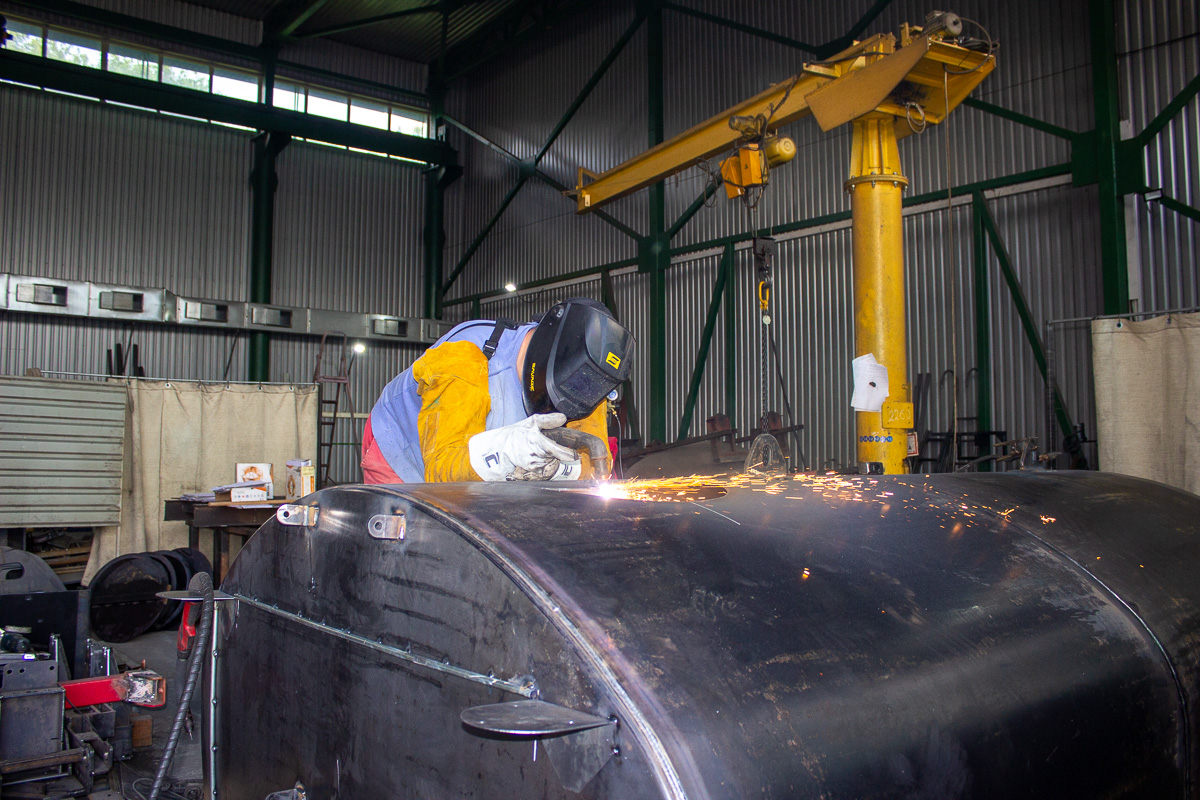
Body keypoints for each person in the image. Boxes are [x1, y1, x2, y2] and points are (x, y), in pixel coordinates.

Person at [362, 297, 634, 483]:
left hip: (470, 455)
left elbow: (595, 462)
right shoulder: (462, 359)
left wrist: (562, 470)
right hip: (402, 450)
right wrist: (508, 450)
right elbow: (442, 473)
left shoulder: (585, 380)